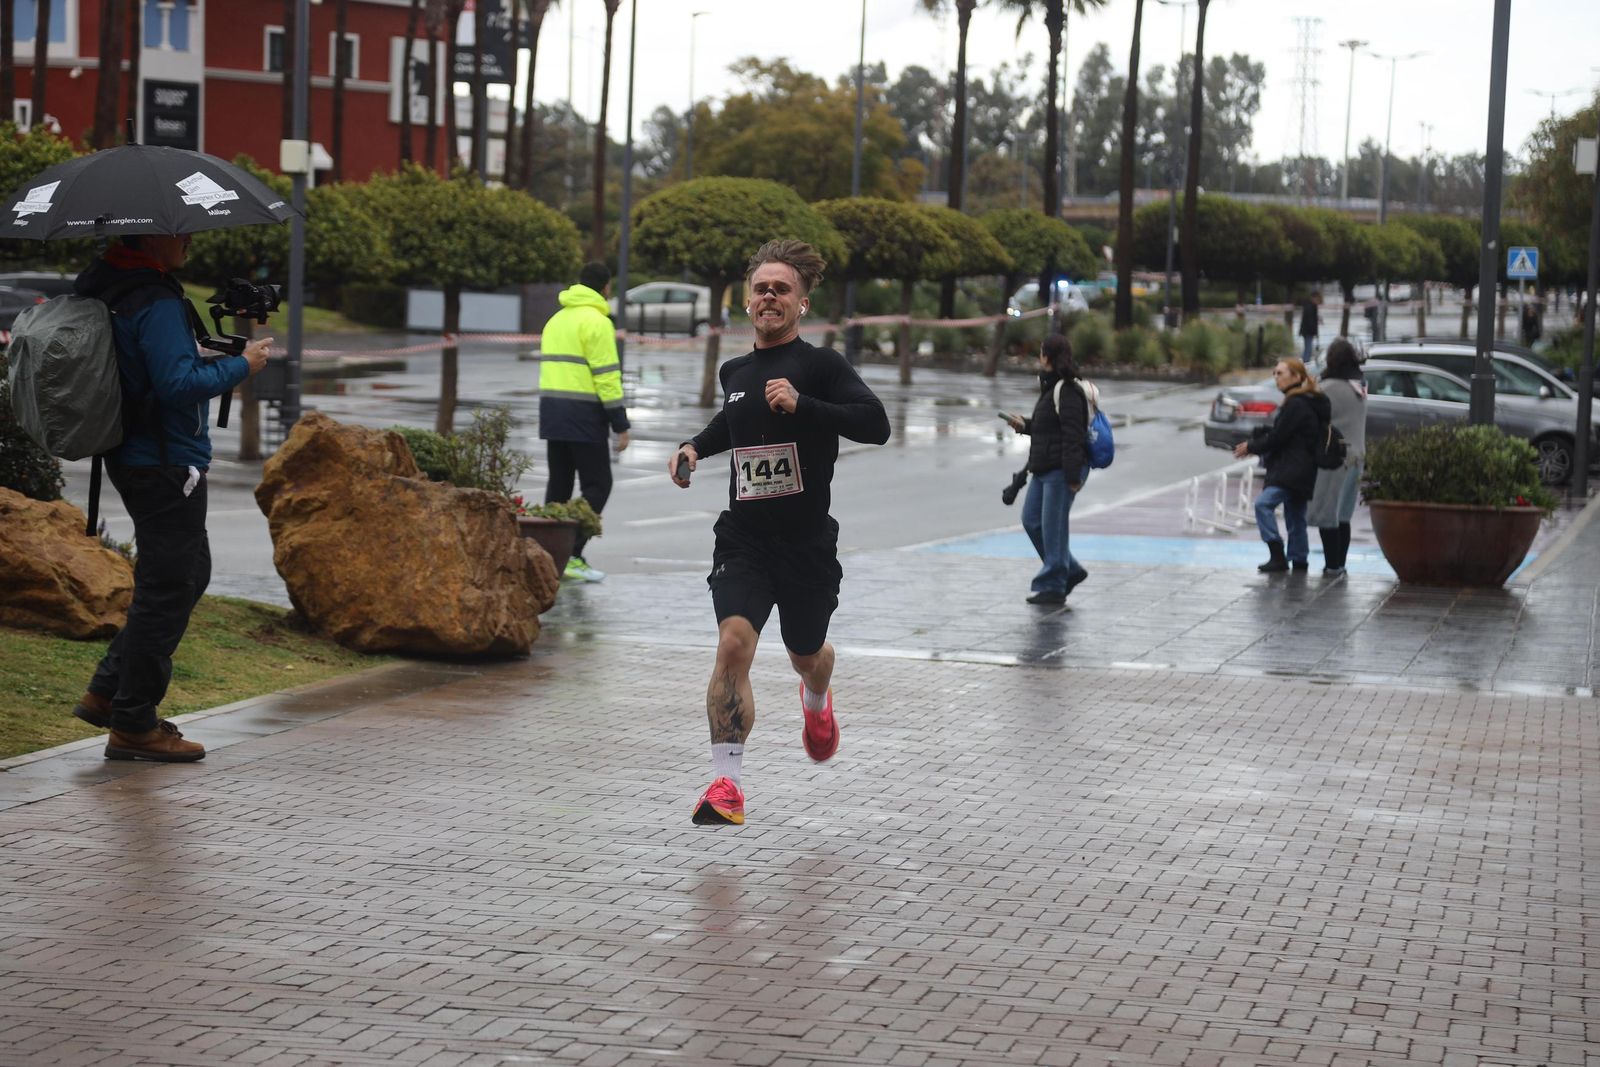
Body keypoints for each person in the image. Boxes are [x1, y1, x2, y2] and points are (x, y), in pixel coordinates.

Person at [668, 239, 890, 827]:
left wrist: (804, 404)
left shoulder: (822, 367)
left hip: (806, 544)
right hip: (744, 537)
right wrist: (694, 446)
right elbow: (733, 421)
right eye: (761, 288)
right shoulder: (735, 372)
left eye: (781, 289)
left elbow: (877, 424)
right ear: (747, 302)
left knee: (805, 652)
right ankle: (727, 784)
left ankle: (816, 698)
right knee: (733, 642)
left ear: (802, 303)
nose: (769, 296)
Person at [70, 233, 272, 761]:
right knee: (169, 587)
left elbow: (148, 367)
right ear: (154, 236)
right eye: (180, 233)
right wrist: (242, 365)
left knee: (188, 573)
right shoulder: (154, 299)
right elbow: (176, 385)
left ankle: (108, 691)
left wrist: (205, 353)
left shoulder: (113, 285)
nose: (189, 240)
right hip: (165, 460)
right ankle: (133, 721)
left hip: (135, 452)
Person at [538, 260, 630, 582]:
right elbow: (606, 377)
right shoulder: (598, 323)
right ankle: (572, 554)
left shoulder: (555, 321)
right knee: (598, 485)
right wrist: (620, 423)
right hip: (584, 417)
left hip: (552, 414)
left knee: (559, 487)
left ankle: (546, 557)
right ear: (606, 288)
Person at [1003, 334, 1090, 605]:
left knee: (1052, 528)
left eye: (1041, 352)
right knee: (1032, 520)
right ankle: (1069, 570)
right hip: (1043, 468)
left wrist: (1072, 476)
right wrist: (1025, 425)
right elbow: (1048, 428)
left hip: (1061, 471)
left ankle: (1053, 584)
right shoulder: (1050, 387)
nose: (1039, 357)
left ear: (1048, 356)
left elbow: (1073, 434)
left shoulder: (1068, 390)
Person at [1233, 357, 1329, 574]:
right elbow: (1287, 434)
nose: (1276, 377)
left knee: (1263, 505)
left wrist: (1251, 446)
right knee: (1295, 516)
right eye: (1274, 373)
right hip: (1303, 469)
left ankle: (1277, 553)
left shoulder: (1296, 403)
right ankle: (1299, 560)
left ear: (1296, 377)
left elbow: (1279, 437)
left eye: (1281, 373)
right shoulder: (1305, 400)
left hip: (1291, 469)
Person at [1307, 339, 1367, 577]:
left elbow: (1312, 416)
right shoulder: (1360, 385)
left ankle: (1332, 565)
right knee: (1344, 514)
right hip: (1357, 455)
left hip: (1334, 457)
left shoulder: (1328, 388)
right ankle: (1340, 564)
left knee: (1328, 512)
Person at [1298, 290, 1321, 362]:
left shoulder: (1311, 306)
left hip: (1307, 331)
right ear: (1313, 298)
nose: (1318, 301)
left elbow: (1313, 320)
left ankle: (1304, 362)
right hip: (1308, 331)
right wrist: (1315, 332)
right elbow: (1310, 321)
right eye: (1317, 299)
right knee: (1308, 349)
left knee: (1307, 348)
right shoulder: (1310, 307)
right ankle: (1305, 362)